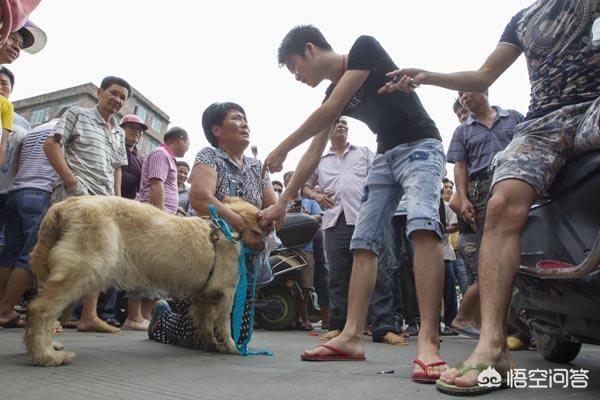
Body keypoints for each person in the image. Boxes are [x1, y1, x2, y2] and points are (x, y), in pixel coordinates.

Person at [381, 0, 599, 392]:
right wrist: (427, 75)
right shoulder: (523, 19)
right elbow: (483, 73)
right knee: (500, 204)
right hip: (546, 121)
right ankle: (493, 345)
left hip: (595, 104)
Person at [260, 26, 445, 377]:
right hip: (386, 154)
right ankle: (350, 336)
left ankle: (429, 343)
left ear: (310, 49)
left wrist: (283, 146)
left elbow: (330, 110)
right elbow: (315, 150)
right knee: (363, 241)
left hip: (421, 145)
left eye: (294, 67)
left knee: (422, 226)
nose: (297, 77)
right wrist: (284, 200)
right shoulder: (332, 94)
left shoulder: (364, 48)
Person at [149, 102, 277, 348]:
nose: (245, 123)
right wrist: (244, 225)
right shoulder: (209, 156)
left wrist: (268, 220)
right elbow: (200, 199)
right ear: (217, 130)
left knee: (237, 338)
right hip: (206, 252)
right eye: (237, 118)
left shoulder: (257, 167)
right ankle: (162, 318)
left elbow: (272, 204)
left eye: (245, 118)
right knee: (198, 333)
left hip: (243, 255)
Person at [302, 116, 405, 346]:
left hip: (366, 218)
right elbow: (305, 186)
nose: (340, 125)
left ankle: (383, 327)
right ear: (328, 129)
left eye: (344, 123)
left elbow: (382, 176)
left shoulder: (364, 153)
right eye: (336, 122)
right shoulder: (319, 159)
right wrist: (317, 196)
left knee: (378, 273)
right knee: (338, 275)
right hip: (334, 221)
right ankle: (338, 326)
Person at [44, 76, 130, 334]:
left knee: (98, 257)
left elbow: (117, 168)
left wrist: (117, 198)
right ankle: (49, 315)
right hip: (77, 194)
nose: (117, 100)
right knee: (62, 253)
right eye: (113, 93)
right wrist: (71, 181)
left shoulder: (118, 130)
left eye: (122, 98)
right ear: (100, 92)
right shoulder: (77, 113)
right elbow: (52, 145)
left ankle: (89, 316)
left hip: (105, 201)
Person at [0, 108, 65, 329]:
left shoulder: (34, 131)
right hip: (41, 193)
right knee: (32, 258)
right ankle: (5, 310)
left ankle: (3, 307)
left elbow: (17, 160)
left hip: (16, 192)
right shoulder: (63, 129)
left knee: (9, 255)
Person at [118, 114, 150, 330]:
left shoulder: (139, 158)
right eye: (131, 128)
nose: (135, 132)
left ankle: (109, 312)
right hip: (110, 205)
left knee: (120, 263)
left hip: (128, 213)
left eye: (139, 130)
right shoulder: (114, 146)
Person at [283, 170, 321, 331]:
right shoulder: (281, 201)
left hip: (306, 249)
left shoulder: (310, 202)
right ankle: (291, 318)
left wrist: (306, 216)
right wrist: (288, 214)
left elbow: (319, 217)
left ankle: (304, 318)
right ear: (285, 184)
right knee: (287, 285)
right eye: (289, 181)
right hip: (285, 250)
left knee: (306, 287)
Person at [137, 127, 189, 214]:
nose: (187, 148)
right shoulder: (160, 153)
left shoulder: (168, 157)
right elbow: (156, 184)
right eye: (188, 144)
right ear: (181, 140)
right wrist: (160, 216)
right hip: (153, 215)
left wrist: (174, 208)